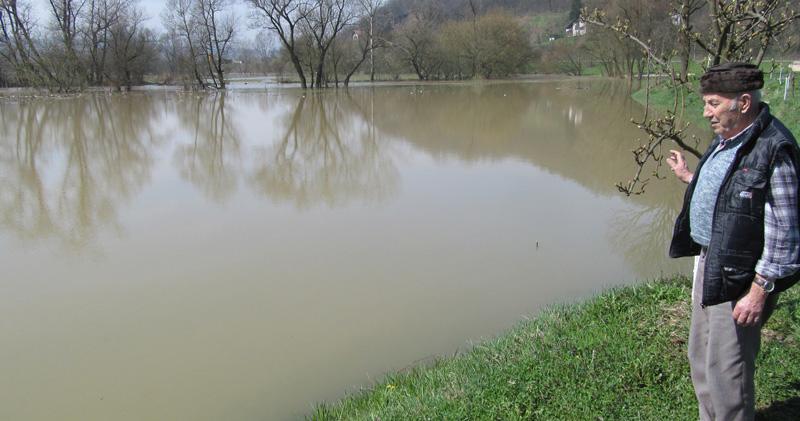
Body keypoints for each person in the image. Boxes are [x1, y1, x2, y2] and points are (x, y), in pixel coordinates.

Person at [666, 62, 800, 421]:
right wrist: (690, 177)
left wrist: (760, 290)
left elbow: (786, 232)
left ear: (742, 103)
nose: (706, 112)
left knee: (729, 371)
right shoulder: (729, 139)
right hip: (712, 261)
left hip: (741, 275)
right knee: (702, 356)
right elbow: (733, 193)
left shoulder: (774, 149)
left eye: (712, 103)